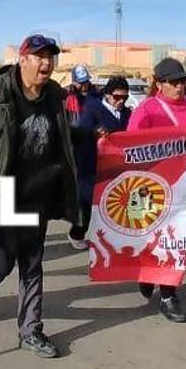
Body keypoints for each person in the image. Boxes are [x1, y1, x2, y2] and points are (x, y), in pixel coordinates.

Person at [0, 34, 82, 359]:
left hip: (38, 197)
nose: (46, 63)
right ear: (22, 59)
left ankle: (31, 330)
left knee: (32, 266)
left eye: (50, 57)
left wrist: (95, 137)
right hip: (3, 198)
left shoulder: (55, 94)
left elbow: (63, 137)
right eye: (39, 57)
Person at [127, 57, 186, 322]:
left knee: (178, 240)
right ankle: (148, 274)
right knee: (154, 240)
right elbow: (130, 149)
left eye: (181, 81)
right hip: (153, 188)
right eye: (173, 82)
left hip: (185, 185)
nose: (179, 87)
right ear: (160, 84)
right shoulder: (147, 109)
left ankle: (169, 294)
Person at [67, 76, 132, 249]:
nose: (120, 101)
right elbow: (81, 134)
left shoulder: (127, 114)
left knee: (116, 204)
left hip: (116, 167)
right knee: (86, 204)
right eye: (117, 97)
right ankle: (77, 233)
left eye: (124, 98)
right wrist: (95, 132)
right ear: (108, 95)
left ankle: (112, 238)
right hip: (90, 164)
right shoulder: (93, 109)